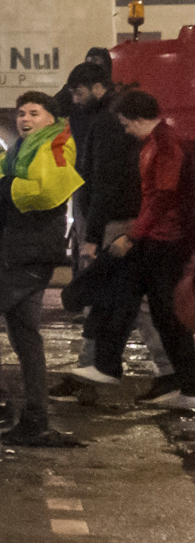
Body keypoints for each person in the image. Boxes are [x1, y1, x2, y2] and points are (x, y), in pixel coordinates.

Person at [0, 91, 85, 445]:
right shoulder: (21, 149)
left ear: (51, 119)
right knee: (25, 335)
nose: (25, 119)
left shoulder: (55, 145)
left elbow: (47, 193)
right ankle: (35, 420)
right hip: (23, 249)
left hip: (25, 252)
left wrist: (9, 184)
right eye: (21, 113)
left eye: (33, 113)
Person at [78, 90, 195, 408]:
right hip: (161, 238)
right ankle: (112, 366)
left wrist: (133, 234)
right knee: (150, 308)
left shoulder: (165, 145)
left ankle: (110, 366)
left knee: (156, 310)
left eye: (126, 123)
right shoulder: (159, 141)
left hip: (165, 241)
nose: (126, 129)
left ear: (139, 119)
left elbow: (162, 196)